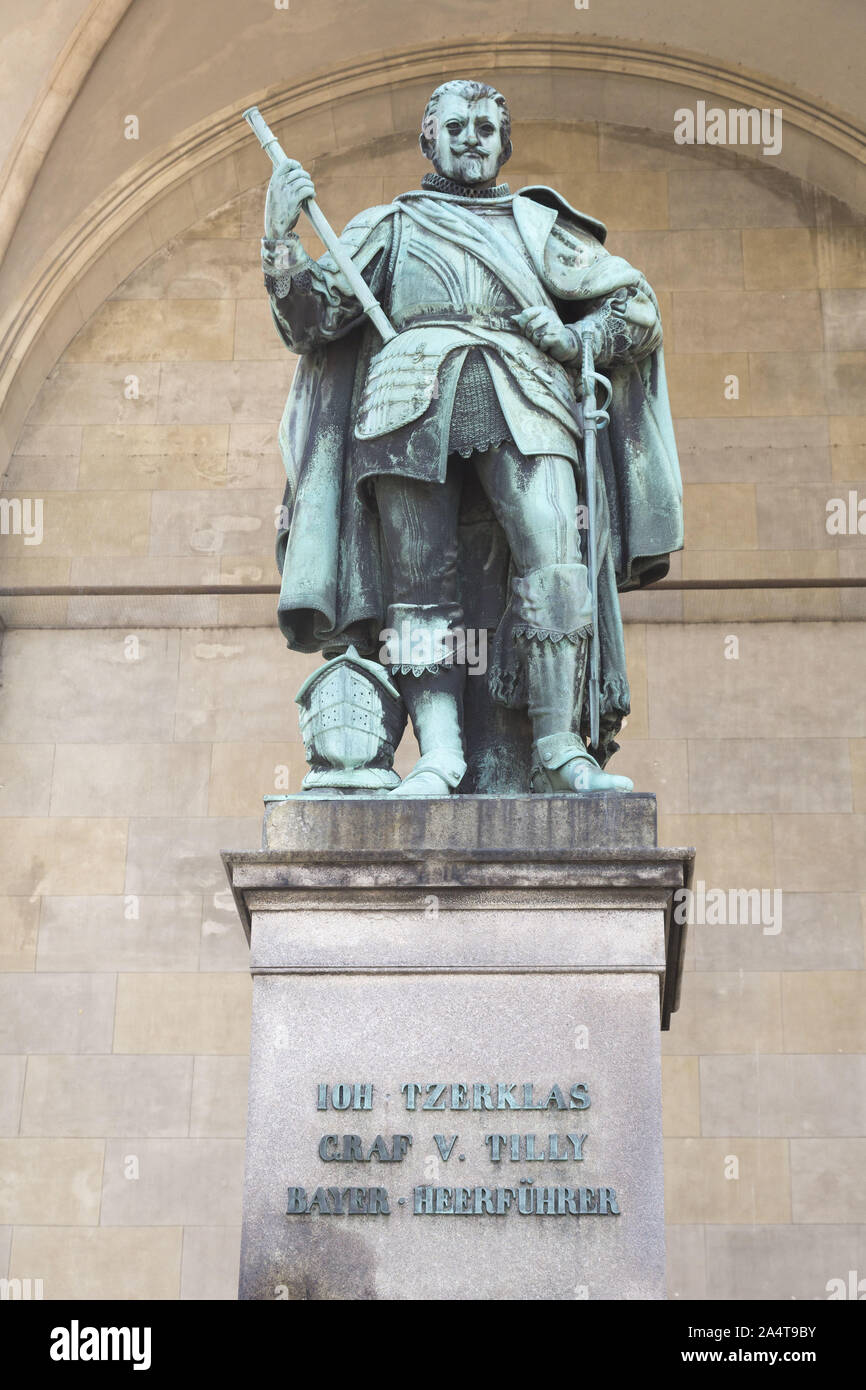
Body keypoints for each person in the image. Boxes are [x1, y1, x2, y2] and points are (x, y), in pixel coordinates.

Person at [262, 79, 682, 795]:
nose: (471, 137)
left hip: (524, 389)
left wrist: (575, 333)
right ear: (429, 137)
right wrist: (279, 240)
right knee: (417, 580)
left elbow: (637, 308)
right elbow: (312, 320)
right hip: (405, 396)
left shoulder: (538, 227)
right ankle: (440, 754)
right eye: (456, 125)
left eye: (487, 126)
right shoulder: (391, 225)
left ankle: (558, 747)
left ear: (504, 142)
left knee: (557, 559)